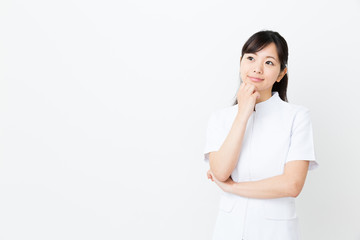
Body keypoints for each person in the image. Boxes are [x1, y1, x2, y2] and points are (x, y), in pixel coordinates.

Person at [203, 30, 319, 240]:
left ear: (281, 73)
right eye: (250, 58)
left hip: (276, 232)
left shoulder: (297, 117)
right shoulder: (220, 118)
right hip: (229, 230)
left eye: (269, 62)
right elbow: (220, 172)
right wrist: (243, 114)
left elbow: (292, 184)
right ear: (240, 63)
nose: (257, 68)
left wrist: (234, 187)